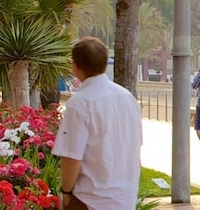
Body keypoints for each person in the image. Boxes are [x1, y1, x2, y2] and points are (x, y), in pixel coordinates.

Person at [54, 38, 142, 210]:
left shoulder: (80, 103)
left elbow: (72, 158)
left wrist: (65, 192)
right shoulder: (127, 98)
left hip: (89, 200)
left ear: (76, 65)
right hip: (125, 199)